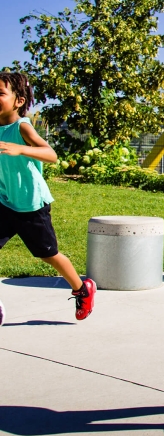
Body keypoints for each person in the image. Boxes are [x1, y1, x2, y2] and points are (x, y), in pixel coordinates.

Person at [0, 72, 96, 323]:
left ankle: (82, 288)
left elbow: (51, 155)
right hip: (5, 202)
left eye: (0, 94)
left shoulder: (21, 127)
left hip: (31, 205)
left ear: (18, 101)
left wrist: (21, 148)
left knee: (48, 254)